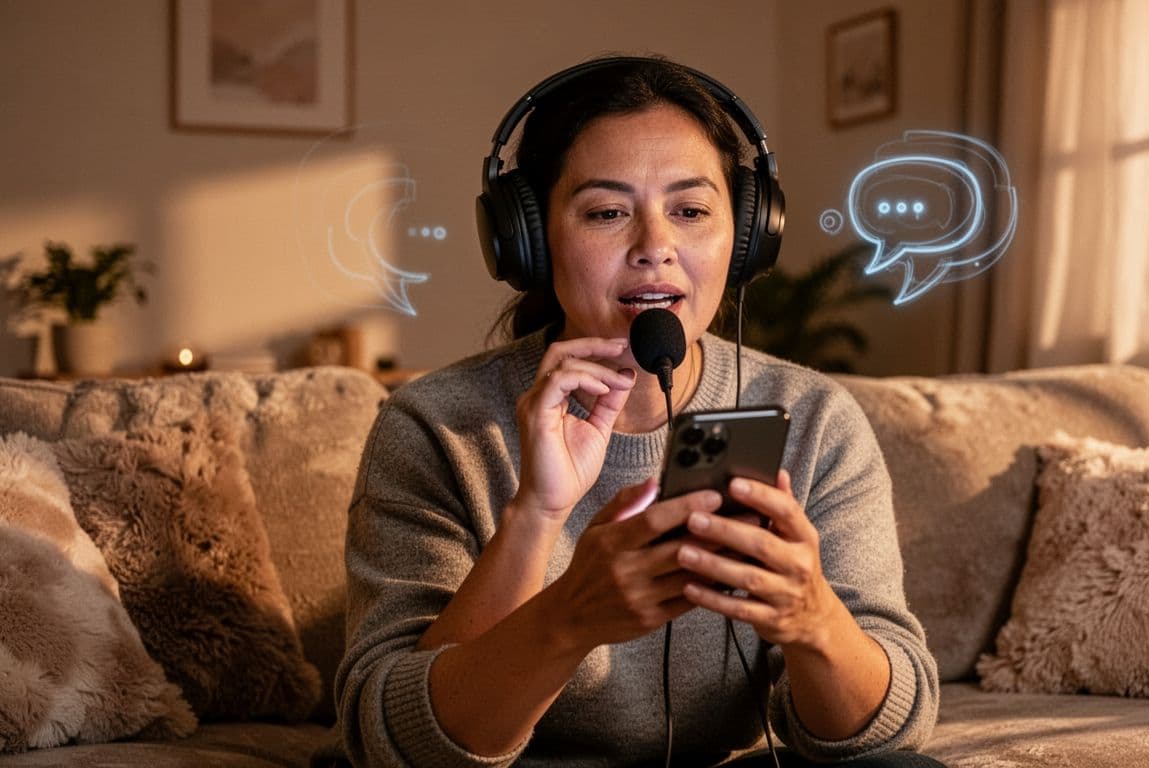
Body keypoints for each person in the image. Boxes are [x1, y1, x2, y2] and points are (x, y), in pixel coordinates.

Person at [335, 55, 942, 767]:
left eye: (690, 211)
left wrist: (812, 618)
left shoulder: (812, 418)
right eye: (606, 213)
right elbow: (392, 743)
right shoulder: (437, 424)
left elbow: (888, 733)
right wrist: (540, 530)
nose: (656, 249)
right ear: (529, 243)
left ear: (746, 236)